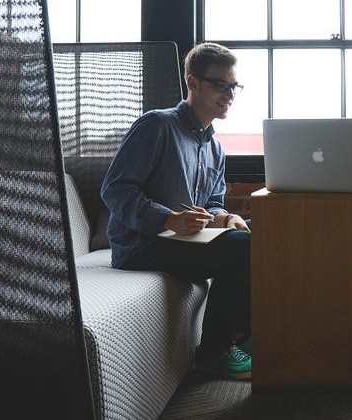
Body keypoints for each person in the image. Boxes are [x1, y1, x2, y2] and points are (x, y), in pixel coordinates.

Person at [100, 42, 253, 379]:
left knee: (260, 232)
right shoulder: (156, 125)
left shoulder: (215, 147)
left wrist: (225, 217)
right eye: (219, 84)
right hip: (142, 245)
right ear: (192, 82)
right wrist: (168, 219)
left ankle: (245, 333)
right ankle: (213, 353)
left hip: (187, 241)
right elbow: (115, 190)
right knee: (245, 248)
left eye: (233, 86)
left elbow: (212, 202)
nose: (229, 94)